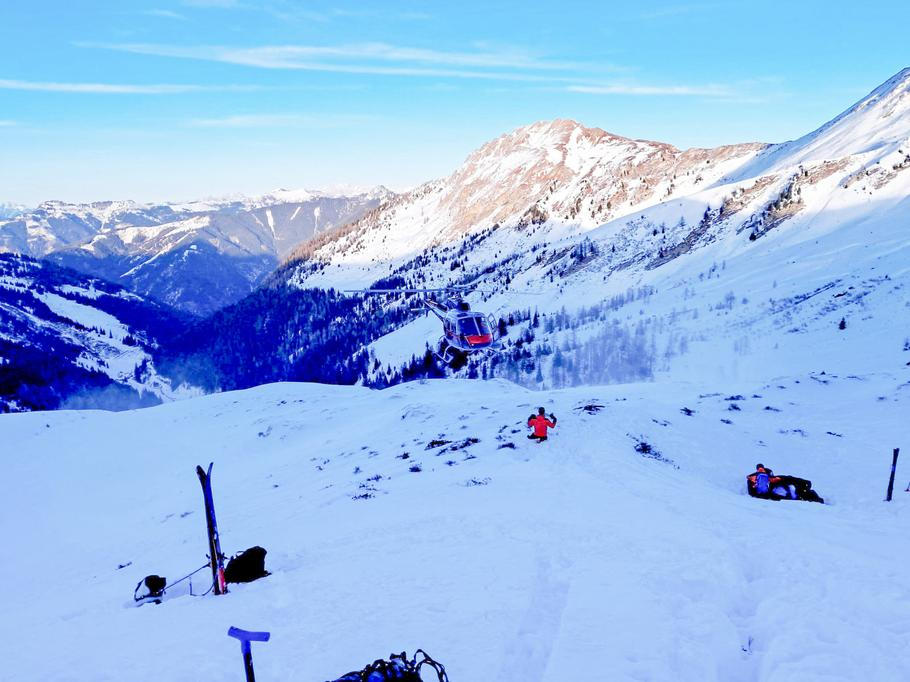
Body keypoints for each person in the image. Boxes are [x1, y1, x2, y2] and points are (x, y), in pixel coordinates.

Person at [746, 463, 824, 503]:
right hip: (793, 494)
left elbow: (752, 493)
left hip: (786, 495)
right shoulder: (777, 479)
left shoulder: (753, 479)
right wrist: (806, 483)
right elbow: (790, 478)